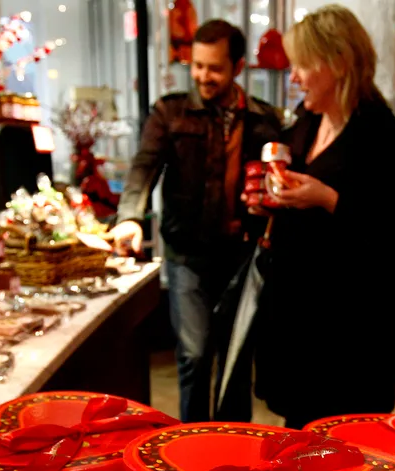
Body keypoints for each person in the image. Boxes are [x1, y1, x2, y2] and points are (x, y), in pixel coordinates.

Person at [252, 5, 395, 429]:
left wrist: (330, 199)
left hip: (348, 335)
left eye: (302, 66)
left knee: (343, 453)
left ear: (339, 63)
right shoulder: (306, 123)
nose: (293, 77)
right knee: (297, 442)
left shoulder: (385, 138)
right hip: (298, 322)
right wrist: (264, 199)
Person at [111, 20, 282, 423]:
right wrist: (130, 217)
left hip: (243, 257)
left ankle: (238, 448)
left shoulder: (264, 119)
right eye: (198, 66)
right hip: (187, 254)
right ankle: (193, 444)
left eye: (215, 68)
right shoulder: (170, 112)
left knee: (236, 360)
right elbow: (143, 167)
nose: (204, 76)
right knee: (194, 355)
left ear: (237, 67)